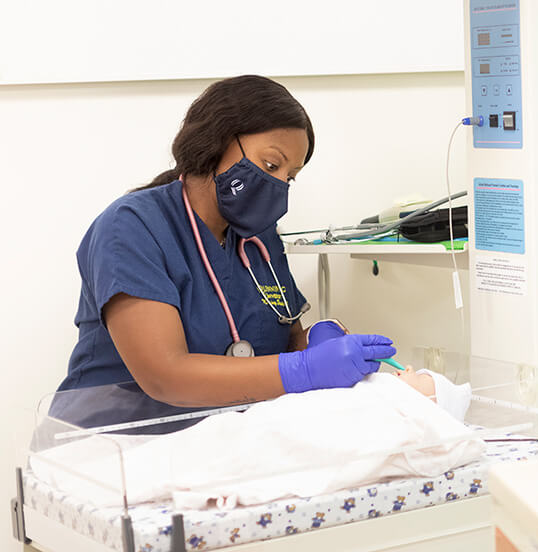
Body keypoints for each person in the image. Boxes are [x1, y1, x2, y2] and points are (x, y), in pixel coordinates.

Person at [57, 75, 395, 413]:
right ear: (217, 139)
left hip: (220, 441)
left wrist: (317, 342)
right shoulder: (132, 227)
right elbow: (165, 376)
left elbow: (285, 343)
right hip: (115, 444)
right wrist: (305, 369)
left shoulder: (260, 240)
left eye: (289, 177)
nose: (279, 185)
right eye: (271, 165)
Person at [32, 367, 480, 510]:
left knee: (229, 454)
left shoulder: (406, 412)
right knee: (225, 439)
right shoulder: (131, 227)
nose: (404, 373)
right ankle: (119, 470)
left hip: (281, 432)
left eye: (421, 377)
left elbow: (419, 450)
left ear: (432, 402)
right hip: (241, 420)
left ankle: (130, 477)